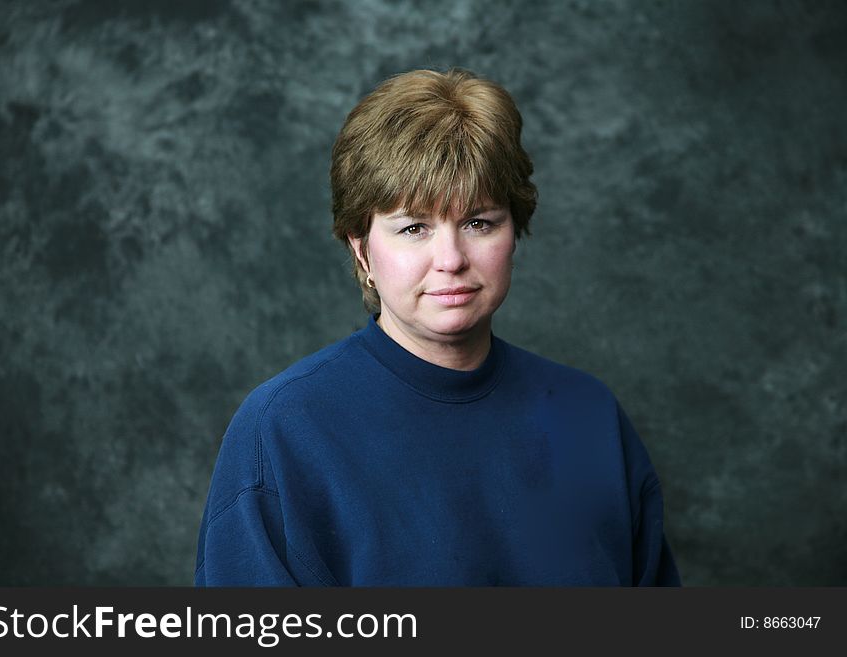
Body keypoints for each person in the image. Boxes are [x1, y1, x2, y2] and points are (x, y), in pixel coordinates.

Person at [194, 68, 681, 586]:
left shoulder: (591, 416)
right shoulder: (284, 430)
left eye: (479, 222)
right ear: (361, 249)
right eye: (413, 228)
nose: (450, 259)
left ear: (514, 233)